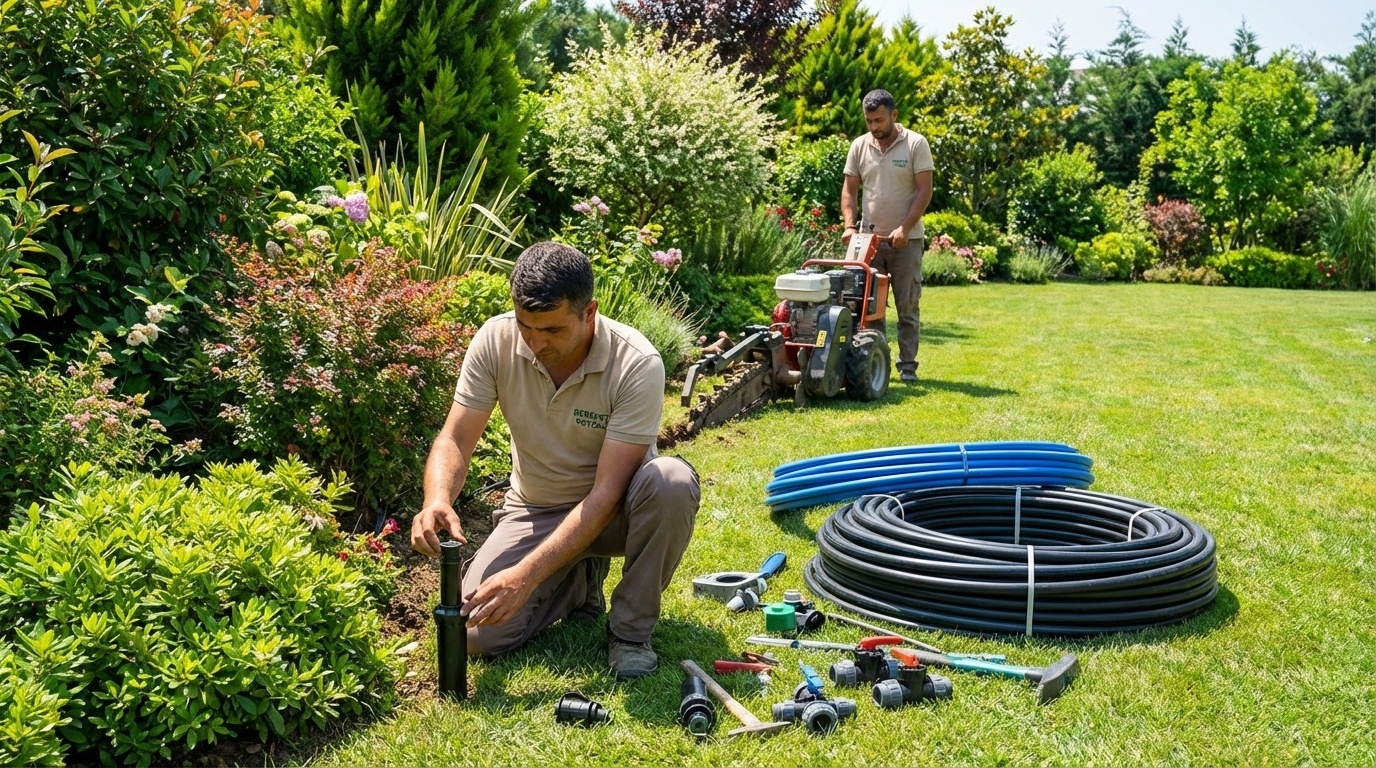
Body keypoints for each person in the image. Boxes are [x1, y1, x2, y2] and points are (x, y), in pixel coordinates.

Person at [410, 241, 700, 679]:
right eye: (526, 326)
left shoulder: (636, 363)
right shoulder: (497, 339)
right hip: (537, 508)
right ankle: (579, 580)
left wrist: (525, 576)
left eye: (551, 330)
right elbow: (455, 438)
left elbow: (605, 494)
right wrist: (437, 498)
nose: (535, 342)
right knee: (476, 635)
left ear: (589, 312)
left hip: (620, 510)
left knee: (671, 481)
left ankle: (629, 632)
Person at [840, 89, 935, 384]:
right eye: (869, 121)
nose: (873, 127)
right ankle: (874, 362)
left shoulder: (916, 144)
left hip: (907, 241)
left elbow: (925, 191)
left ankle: (907, 366)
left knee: (907, 305)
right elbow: (849, 190)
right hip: (868, 241)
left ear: (894, 115)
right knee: (869, 306)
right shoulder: (859, 146)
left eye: (879, 120)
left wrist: (905, 228)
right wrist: (849, 226)